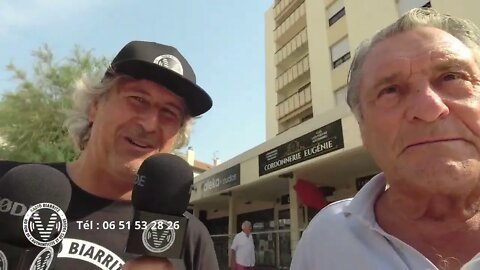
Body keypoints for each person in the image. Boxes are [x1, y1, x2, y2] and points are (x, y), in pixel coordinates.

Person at [0, 41, 219, 270]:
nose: (150, 124)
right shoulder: (8, 187)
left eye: (169, 112)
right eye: (138, 99)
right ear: (95, 106)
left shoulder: (191, 237)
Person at [290, 8, 480, 270]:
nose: (429, 109)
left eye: (451, 77)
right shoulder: (325, 238)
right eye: (390, 91)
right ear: (362, 129)